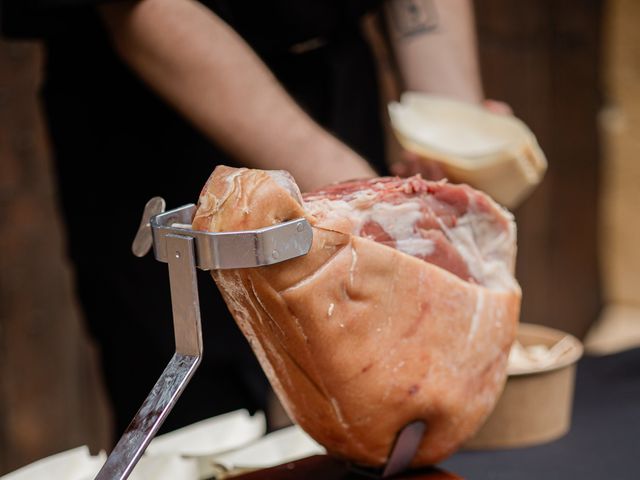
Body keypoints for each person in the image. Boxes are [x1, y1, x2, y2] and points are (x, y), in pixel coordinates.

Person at [1, 0, 493, 438]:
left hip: (332, 74)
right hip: (159, 114)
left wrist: (450, 126)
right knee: (201, 426)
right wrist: (350, 189)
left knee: (378, 387)